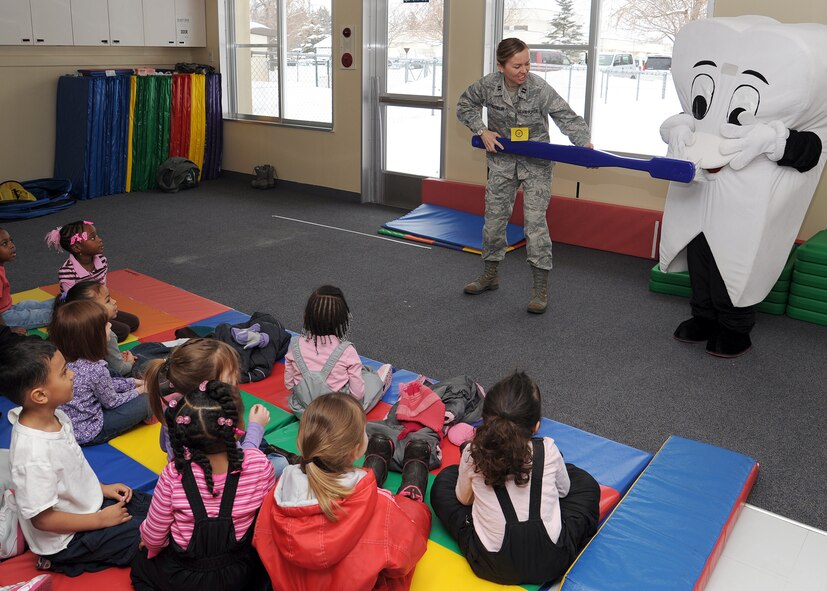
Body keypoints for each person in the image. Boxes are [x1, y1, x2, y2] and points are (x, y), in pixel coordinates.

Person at [457, 38, 594, 314]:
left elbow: (566, 117)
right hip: (502, 163)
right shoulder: (488, 85)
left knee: (535, 225)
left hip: (536, 165)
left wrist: (585, 145)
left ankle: (539, 289)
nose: (524, 70)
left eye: (527, 64)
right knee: (494, 221)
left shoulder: (539, 88)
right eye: (517, 66)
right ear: (501, 66)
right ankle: (490, 275)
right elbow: (464, 105)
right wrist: (481, 129)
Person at [430, 371, 600, 586]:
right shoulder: (548, 449)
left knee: (444, 482)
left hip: (490, 564)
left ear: (486, 420)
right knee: (584, 483)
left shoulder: (473, 454)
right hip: (552, 561)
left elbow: (464, 500)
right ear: (536, 425)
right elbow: (563, 491)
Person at [0, 338, 151, 576]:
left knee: (155, 508)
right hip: (68, 540)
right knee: (152, 537)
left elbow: (73, 467)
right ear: (40, 395)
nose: (72, 374)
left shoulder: (57, 416)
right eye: (64, 372)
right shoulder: (33, 454)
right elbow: (43, 520)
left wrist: (101, 488)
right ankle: (61, 562)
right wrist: (100, 520)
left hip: (89, 507)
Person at [253, 393, 432, 591]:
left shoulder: (275, 496)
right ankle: (410, 493)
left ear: (301, 443)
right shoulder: (382, 507)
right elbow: (403, 559)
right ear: (357, 450)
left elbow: (262, 544)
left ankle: (375, 471)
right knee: (413, 513)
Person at [130, 380, 276, 591]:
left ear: (184, 434)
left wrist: (150, 545)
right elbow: (264, 520)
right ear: (237, 430)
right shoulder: (259, 464)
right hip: (239, 573)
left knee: (140, 566)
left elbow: (154, 537)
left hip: (186, 577)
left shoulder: (174, 474)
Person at [142, 338, 290, 476]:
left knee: (248, 436)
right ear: (205, 384)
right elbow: (241, 462)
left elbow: (164, 446)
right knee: (281, 463)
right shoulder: (215, 416)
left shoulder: (173, 405)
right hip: (220, 480)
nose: (236, 376)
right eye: (230, 374)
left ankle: (265, 448)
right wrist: (256, 426)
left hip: (187, 471)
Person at [48, 300, 152, 445]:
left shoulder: (60, 358)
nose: (110, 325)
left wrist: (134, 382)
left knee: (112, 374)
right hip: (88, 431)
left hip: (66, 420)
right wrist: (140, 390)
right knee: (147, 401)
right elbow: (112, 402)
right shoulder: (95, 369)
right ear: (93, 337)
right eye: (105, 325)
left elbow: (101, 384)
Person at [285, 285, 392, 415]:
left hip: (304, 411)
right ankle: (379, 380)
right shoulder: (346, 350)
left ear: (306, 316)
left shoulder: (295, 345)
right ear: (342, 320)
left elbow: (289, 384)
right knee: (372, 380)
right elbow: (357, 394)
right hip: (337, 414)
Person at [44, 220, 139, 342]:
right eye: (93, 238)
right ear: (77, 247)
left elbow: (101, 290)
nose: (100, 239)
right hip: (81, 314)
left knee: (134, 323)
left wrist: (107, 307)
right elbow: (75, 305)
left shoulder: (102, 260)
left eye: (97, 235)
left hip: (98, 306)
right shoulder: (67, 271)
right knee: (123, 331)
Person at [59, 280, 170, 377]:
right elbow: (120, 370)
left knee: (145, 346)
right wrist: (129, 363)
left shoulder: (71, 328)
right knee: (146, 355)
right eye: (108, 300)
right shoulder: (106, 335)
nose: (114, 301)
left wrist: (116, 357)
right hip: (110, 376)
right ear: (93, 311)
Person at [0, 227, 53, 333]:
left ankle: (66, 302)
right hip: (4, 318)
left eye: (11, 240)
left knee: (33, 304)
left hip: (8, 308)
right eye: (4, 244)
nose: (12, 245)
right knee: (41, 315)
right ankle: (68, 313)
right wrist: (5, 331)